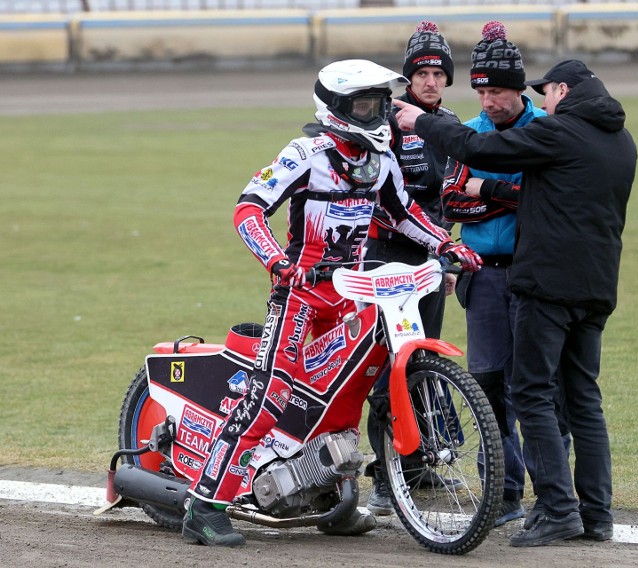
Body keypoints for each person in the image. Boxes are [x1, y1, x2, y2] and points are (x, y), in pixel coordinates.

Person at [181, 58, 482, 547]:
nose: (377, 113)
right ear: (338, 107)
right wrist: (279, 263)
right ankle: (206, 505)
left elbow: (403, 214)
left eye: (381, 103)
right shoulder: (306, 153)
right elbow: (248, 209)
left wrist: (444, 245)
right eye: (366, 104)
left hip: (350, 296)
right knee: (269, 398)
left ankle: (334, 501)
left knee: (344, 398)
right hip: (298, 296)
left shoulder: (382, 159)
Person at [394, 58, 637, 547]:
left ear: (563, 90)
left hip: (547, 286)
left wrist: (419, 120)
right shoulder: (620, 140)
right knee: (584, 400)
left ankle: (555, 510)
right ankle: (596, 514)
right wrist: (500, 191)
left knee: (528, 393)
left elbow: (478, 146)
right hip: (597, 287)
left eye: (546, 92)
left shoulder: (562, 132)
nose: (544, 101)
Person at [440, 20, 547, 528]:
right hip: (482, 279)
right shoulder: (473, 133)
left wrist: (485, 190)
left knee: (534, 388)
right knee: (487, 388)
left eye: (498, 91)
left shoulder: (544, 130)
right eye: (481, 91)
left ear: (519, 89)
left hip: (531, 278)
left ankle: (549, 493)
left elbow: (541, 203)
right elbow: (451, 201)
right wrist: (503, 197)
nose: (487, 101)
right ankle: (502, 493)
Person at [362, 20, 462, 516]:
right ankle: (385, 472)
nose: (429, 80)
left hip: (431, 259)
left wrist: (446, 257)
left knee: (423, 360)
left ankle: (418, 463)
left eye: (437, 72)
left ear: (447, 79)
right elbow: (380, 199)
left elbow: (453, 196)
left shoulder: (452, 124)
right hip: (388, 258)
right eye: (420, 72)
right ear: (408, 78)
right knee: (388, 363)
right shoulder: (388, 124)